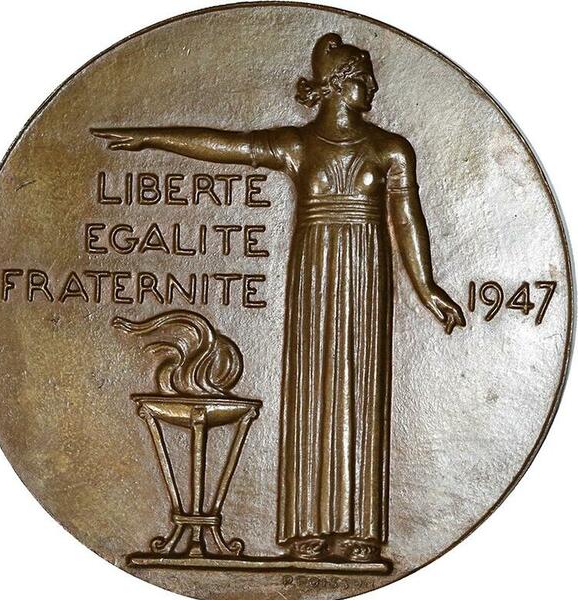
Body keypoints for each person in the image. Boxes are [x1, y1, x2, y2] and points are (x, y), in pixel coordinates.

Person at [92, 32, 465, 563]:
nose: (373, 87)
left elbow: (406, 218)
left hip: (367, 272)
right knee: (310, 389)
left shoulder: (390, 149)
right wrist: (153, 138)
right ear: (338, 86)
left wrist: (425, 286)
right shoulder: (298, 145)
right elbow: (227, 146)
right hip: (313, 271)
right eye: (364, 78)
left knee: (361, 391)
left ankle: (358, 533)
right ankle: (307, 530)